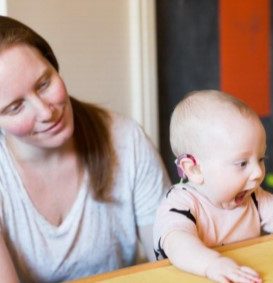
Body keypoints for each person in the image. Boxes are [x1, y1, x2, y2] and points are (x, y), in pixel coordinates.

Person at [0, 15, 171, 283]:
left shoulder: (126, 140)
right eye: (15, 107)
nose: (46, 112)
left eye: (44, 84)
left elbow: (168, 265)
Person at [153, 90, 273, 283]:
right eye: (242, 163)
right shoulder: (181, 204)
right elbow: (176, 243)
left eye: (261, 159)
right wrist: (212, 264)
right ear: (194, 169)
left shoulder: (254, 197)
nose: (258, 173)